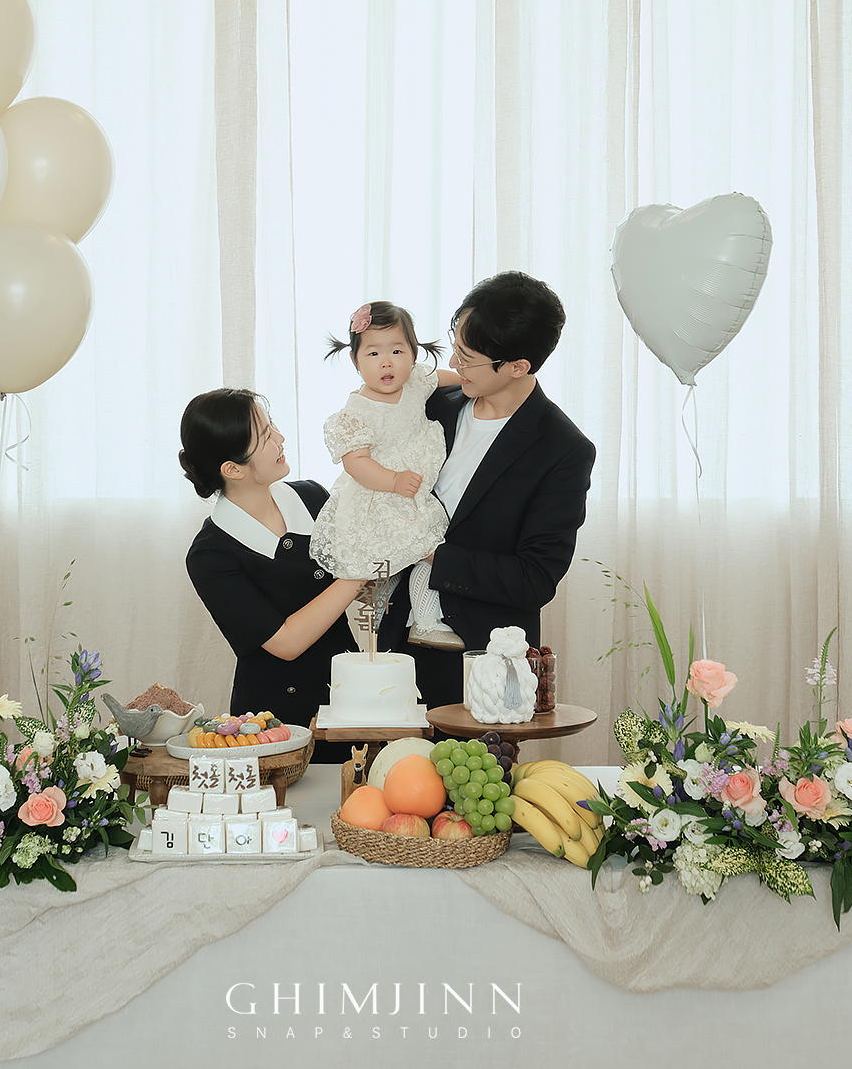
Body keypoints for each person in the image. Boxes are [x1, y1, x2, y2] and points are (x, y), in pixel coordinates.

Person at [378, 271, 596, 711]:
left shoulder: (562, 449)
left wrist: (431, 552)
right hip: (394, 645)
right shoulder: (434, 406)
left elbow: (534, 579)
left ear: (518, 366)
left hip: (482, 663)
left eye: (468, 356)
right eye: (455, 345)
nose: (454, 362)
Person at [181, 389, 362, 763]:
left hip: (349, 695)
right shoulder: (210, 554)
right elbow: (286, 642)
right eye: (265, 436)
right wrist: (358, 574)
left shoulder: (311, 497)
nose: (279, 438)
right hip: (273, 724)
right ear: (233, 469)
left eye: (272, 425)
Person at [310, 300, 467, 651]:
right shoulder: (357, 410)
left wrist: (474, 383)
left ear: (413, 354)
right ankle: (380, 618)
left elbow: (457, 380)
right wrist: (393, 480)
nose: (386, 362)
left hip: (414, 493)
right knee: (399, 559)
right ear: (356, 361)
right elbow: (356, 463)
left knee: (428, 551)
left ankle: (424, 619)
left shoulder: (416, 382)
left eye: (397, 351)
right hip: (379, 499)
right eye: (373, 353)